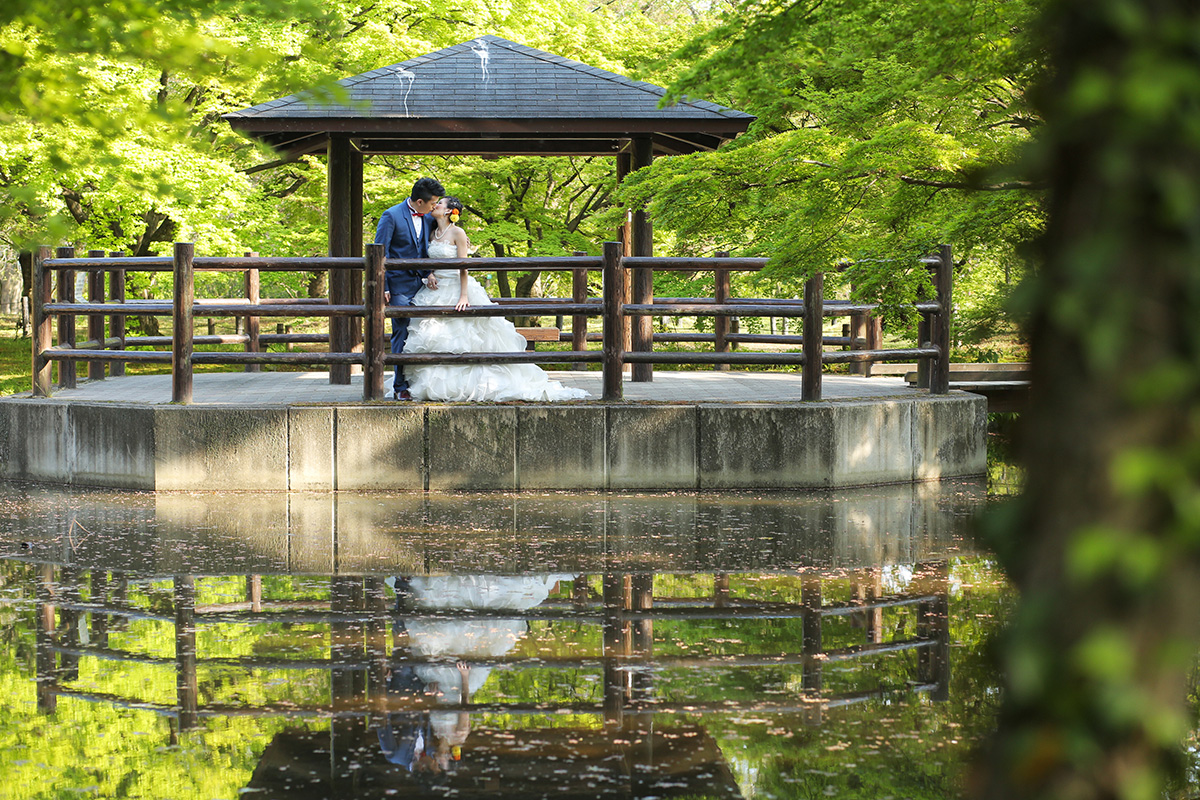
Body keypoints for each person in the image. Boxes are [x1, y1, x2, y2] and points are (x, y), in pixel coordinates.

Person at [402, 196, 590, 402]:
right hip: (434, 290)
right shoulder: (431, 231)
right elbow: (426, 260)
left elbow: (464, 266)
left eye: (439, 204)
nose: (434, 205)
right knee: (432, 338)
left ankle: (470, 383)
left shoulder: (458, 233)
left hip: (456, 287)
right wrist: (429, 274)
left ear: (448, 211)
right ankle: (432, 383)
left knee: (467, 338)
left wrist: (463, 295)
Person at [375, 177, 445, 400]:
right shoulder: (391, 216)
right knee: (402, 331)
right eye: (433, 203)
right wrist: (383, 286)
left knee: (426, 332)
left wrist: (430, 272)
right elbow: (379, 252)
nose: (435, 207)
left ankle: (422, 381)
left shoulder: (427, 218)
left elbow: (429, 248)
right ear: (419, 201)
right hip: (398, 285)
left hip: (422, 285)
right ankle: (399, 387)